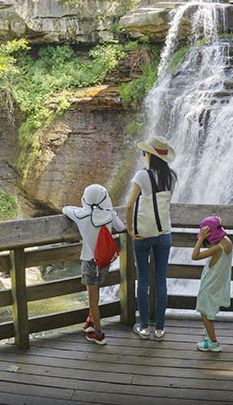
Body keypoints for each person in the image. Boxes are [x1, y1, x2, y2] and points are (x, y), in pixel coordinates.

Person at [126, 135, 177, 340]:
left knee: (143, 280)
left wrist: (130, 230)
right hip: (164, 233)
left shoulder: (142, 176)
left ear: (150, 155)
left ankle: (145, 327)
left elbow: (130, 205)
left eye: (145, 152)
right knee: (161, 281)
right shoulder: (171, 176)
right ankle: (161, 329)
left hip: (142, 234)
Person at [63, 184, 125, 345]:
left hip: (90, 262)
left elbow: (66, 209)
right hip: (104, 263)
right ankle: (90, 323)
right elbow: (121, 227)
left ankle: (98, 333)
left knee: (92, 298)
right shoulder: (109, 215)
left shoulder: (82, 216)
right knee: (96, 295)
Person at [192, 217, 233, 352]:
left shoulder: (217, 249)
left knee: (205, 313)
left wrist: (200, 238)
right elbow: (219, 231)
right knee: (208, 311)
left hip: (209, 285)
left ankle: (213, 343)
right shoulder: (228, 242)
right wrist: (217, 224)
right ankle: (208, 332)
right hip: (216, 283)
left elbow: (195, 256)